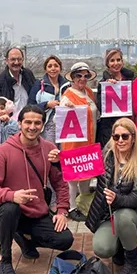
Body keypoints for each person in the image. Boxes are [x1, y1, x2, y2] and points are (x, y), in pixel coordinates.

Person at [0, 105, 73, 274]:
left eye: (37, 123)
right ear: (19, 123)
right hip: (7, 213)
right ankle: (4, 261)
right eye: (28, 122)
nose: (32, 127)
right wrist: (11, 195)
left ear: (43, 125)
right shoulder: (4, 151)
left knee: (65, 240)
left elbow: (60, 183)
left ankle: (24, 237)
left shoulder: (49, 149)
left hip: (37, 212)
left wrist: (62, 210)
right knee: (10, 209)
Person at [86, 118, 137, 274]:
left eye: (125, 136)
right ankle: (120, 246)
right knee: (102, 248)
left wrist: (117, 198)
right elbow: (80, 168)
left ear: (133, 138)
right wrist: (59, 162)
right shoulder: (104, 157)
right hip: (107, 214)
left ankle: (133, 264)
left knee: (123, 217)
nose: (120, 140)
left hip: (132, 213)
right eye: (116, 137)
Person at [60, 62, 100, 222]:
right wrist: (67, 107)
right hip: (74, 142)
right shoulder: (67, 95)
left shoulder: (88, 92)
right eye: (79, 75)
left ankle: (84, 203)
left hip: (90, 139)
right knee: (72, 178)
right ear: (72, 77)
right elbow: (61, 117)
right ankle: (71, 207)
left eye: (86, 75)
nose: (82, 79)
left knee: (86, 174)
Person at [96, 48, 136, 148]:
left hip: (129, 126)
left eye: (118, 60)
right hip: (110, 129)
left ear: (122, 61)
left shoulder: (130, 79)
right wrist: (107, 89)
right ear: (107, 63)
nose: (116, 63)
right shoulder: (103, 83)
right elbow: (100, 107)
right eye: (112, 60)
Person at [28, 55, 69, 143]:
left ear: (60, 68)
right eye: (50, 66)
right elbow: (30, 106)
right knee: (50, 149)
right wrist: (46, 104)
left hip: (65, 125)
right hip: (47, 125)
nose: (53, 69)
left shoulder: (67, 85)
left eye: (56, 66)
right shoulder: (38, 85)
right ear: (45, 69)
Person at [0, 46, 36, 115]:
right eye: (13, 59)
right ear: (6, 61)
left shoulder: (28, 75)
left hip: (28, 118)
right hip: (9, 119)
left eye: (19, 59)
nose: (16, 62)